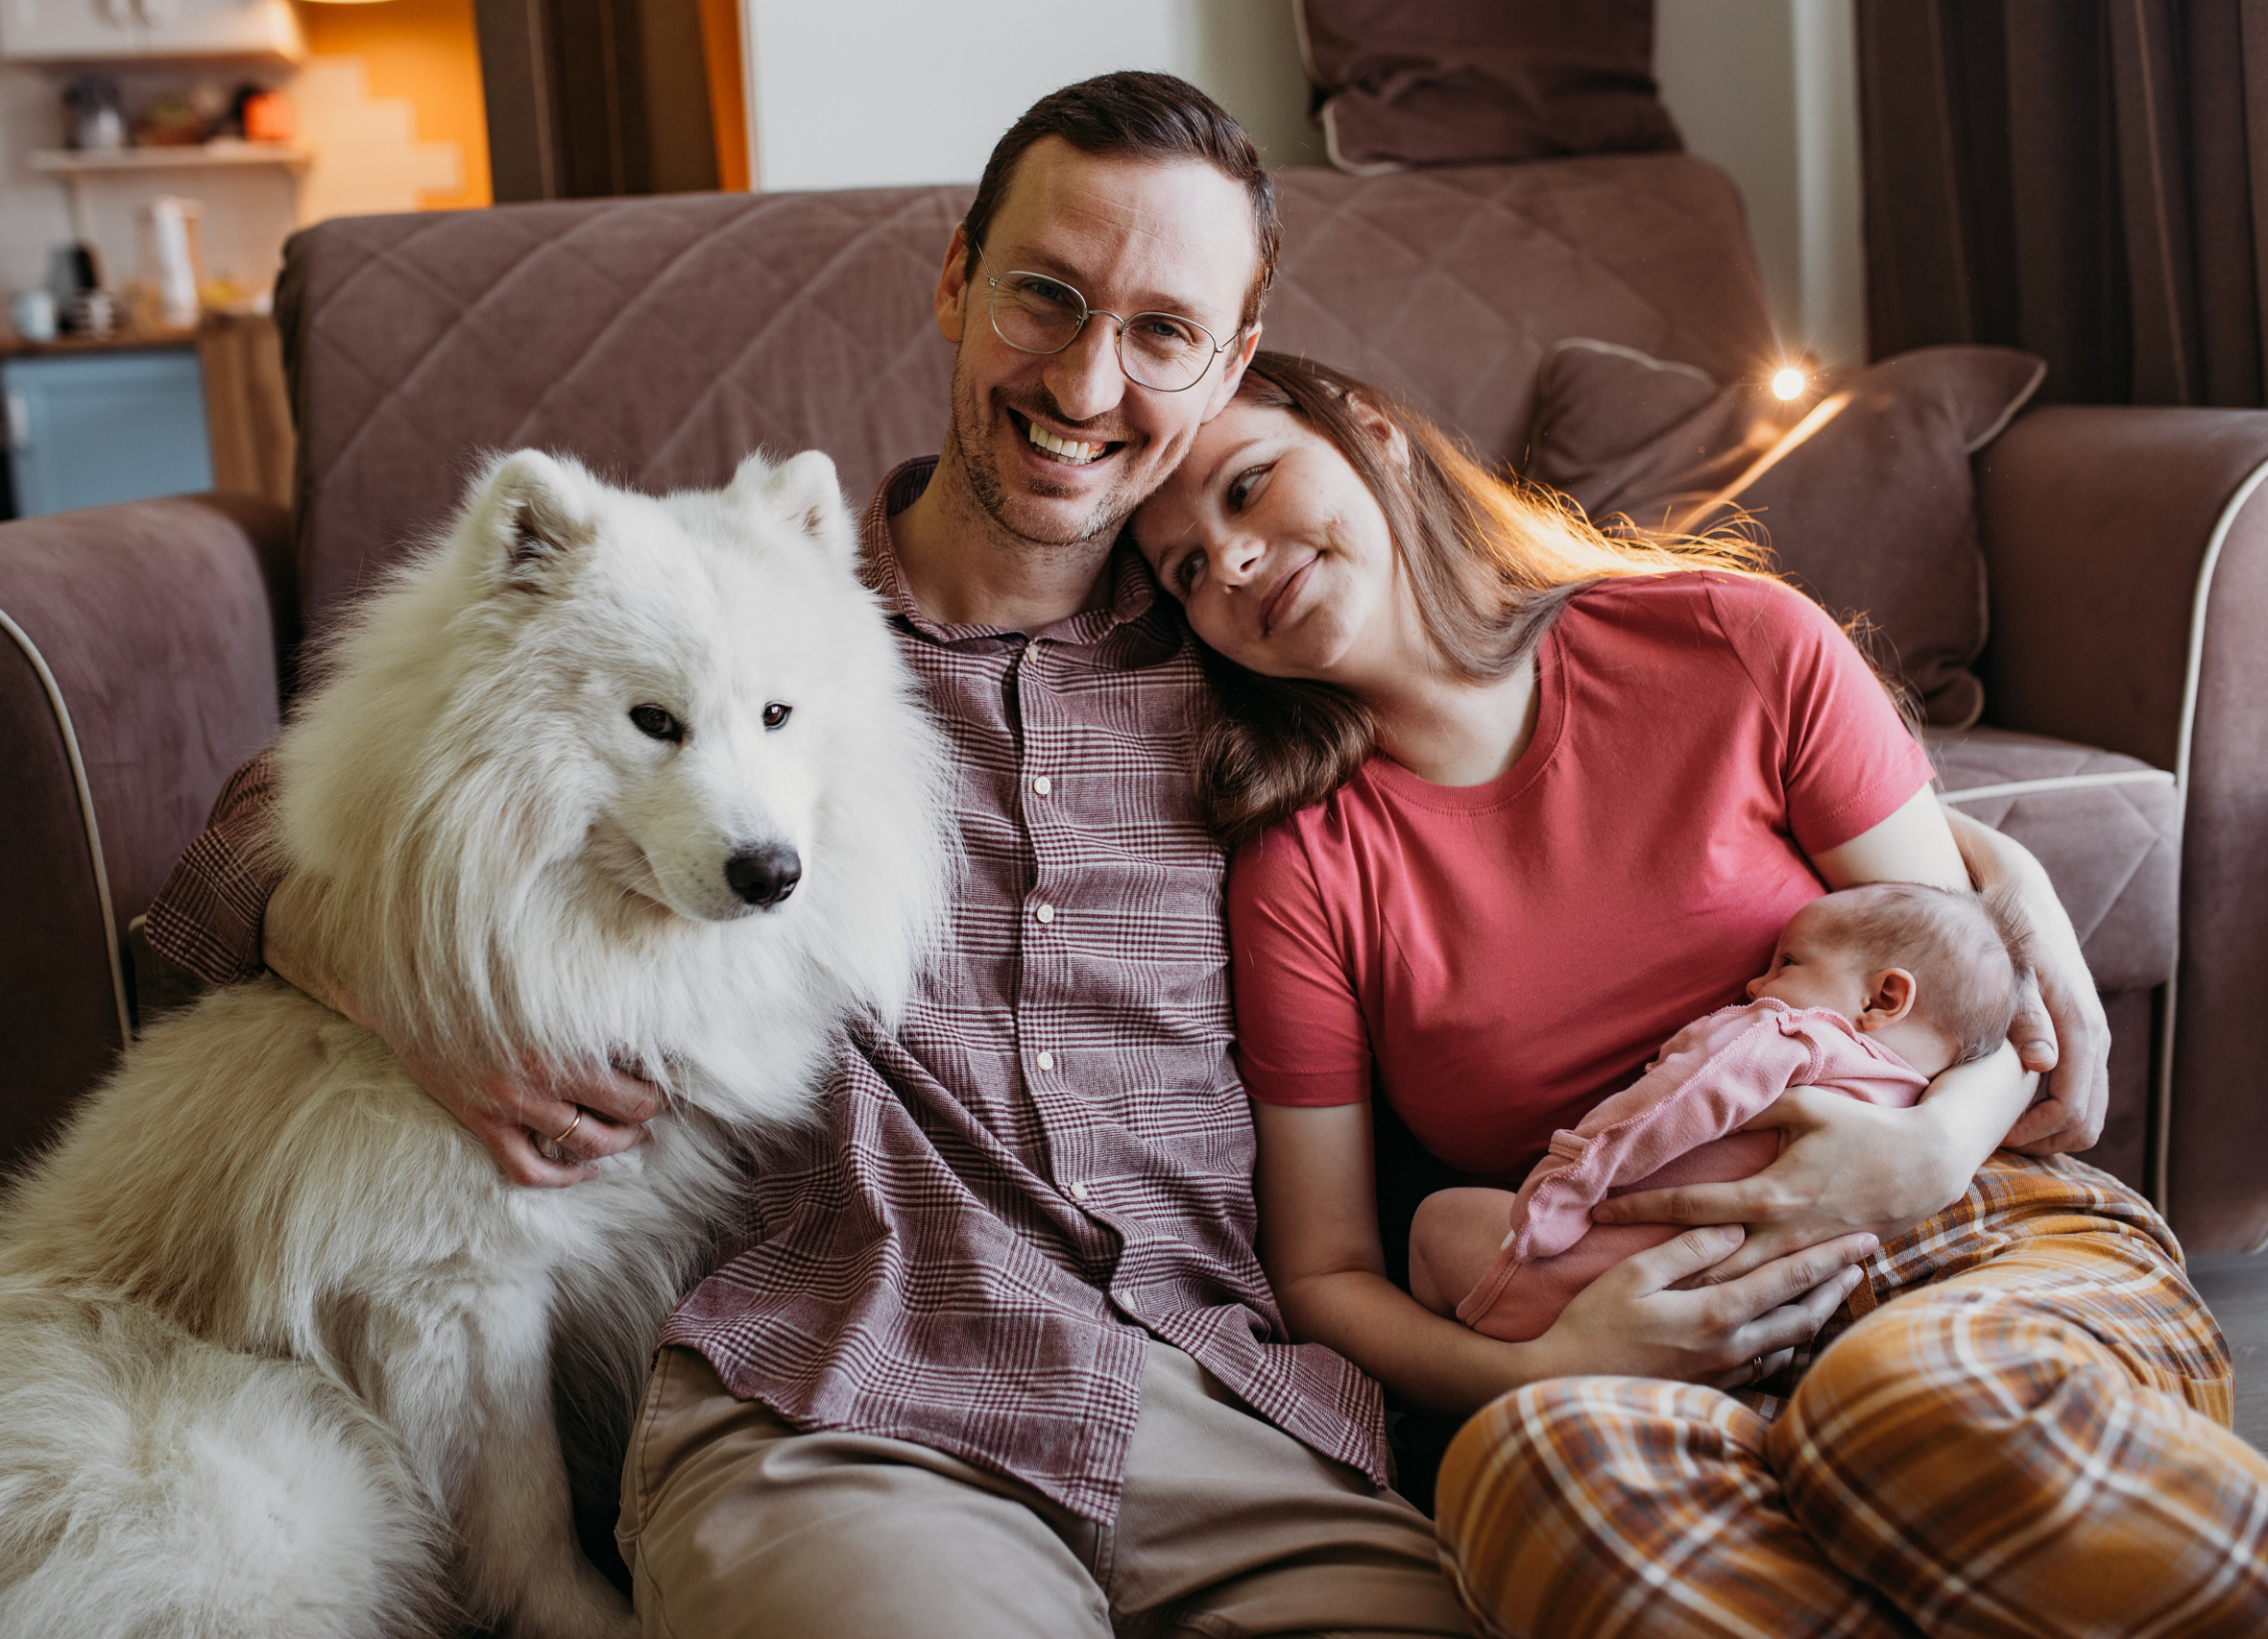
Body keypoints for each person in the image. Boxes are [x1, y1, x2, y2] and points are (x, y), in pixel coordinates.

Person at [150, 72, 2114, 1639]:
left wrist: (1980, 886)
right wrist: (385, 974)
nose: (1087, 382)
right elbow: (272, 824)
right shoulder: (758, 618)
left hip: (1230, 1397)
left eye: (1161, 331)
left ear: (1236, 351)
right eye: (1045, 297)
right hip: (844, 1388)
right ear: (953, 282)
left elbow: (1604, 732)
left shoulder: (1253, 658)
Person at [1128, 350, 2268, 1635]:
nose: (1223, 563)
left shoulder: (1727, 636)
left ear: (1376, 434)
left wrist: (1934, 1144)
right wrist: (1541, 1363)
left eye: (1247, 486)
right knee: (1530, 1479)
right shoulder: (1303, 867)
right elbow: (1326, 1267)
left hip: (1951, 1231)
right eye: (1180, 570)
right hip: (1622, 1331)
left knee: (1903, 1403)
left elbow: (1979, 985)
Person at [1420, 880, 2027, 1343]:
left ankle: (1451, 1385)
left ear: (1883, 996)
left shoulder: (1791, 1035)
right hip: (1746, 1320)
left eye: (1788, 963)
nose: (1758, 986)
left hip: (1579, 1285)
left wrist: (1566, 1186)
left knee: (1434, 1219)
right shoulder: (1907, 1096)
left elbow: (1669, 1105)